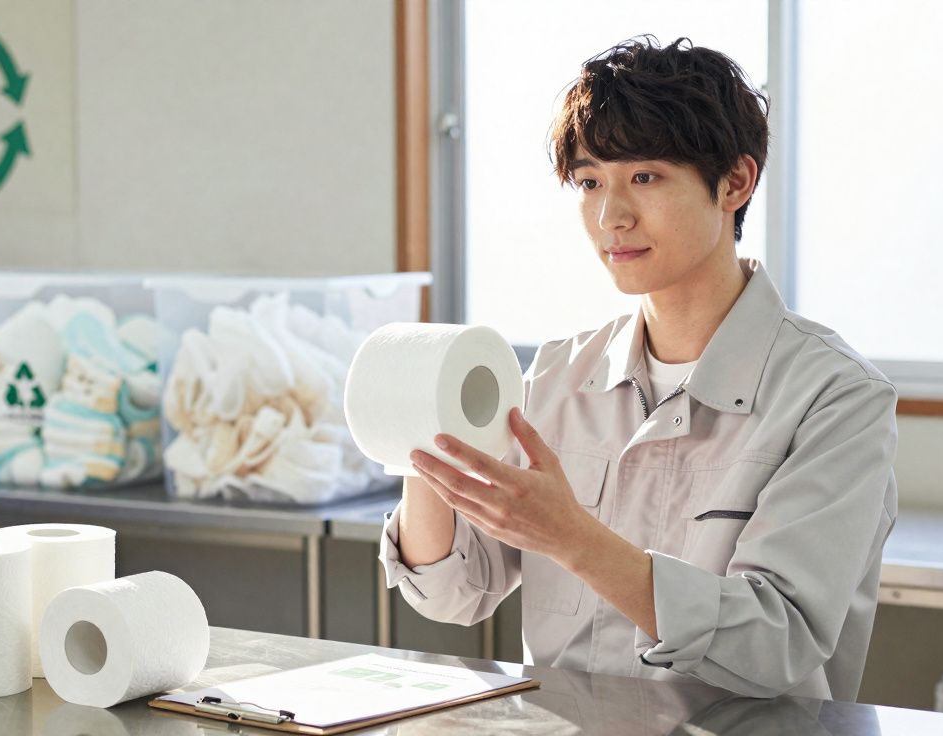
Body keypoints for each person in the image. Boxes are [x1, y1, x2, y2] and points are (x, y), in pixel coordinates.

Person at [379, 35, 898, 702]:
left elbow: (778, 643)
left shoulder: (835, 398)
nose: (610, 216)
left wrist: (574, 540)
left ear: (736, 182)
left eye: (644, 177)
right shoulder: (557, 376)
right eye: (591, 182)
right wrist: (422, 431)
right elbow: (452, 593)